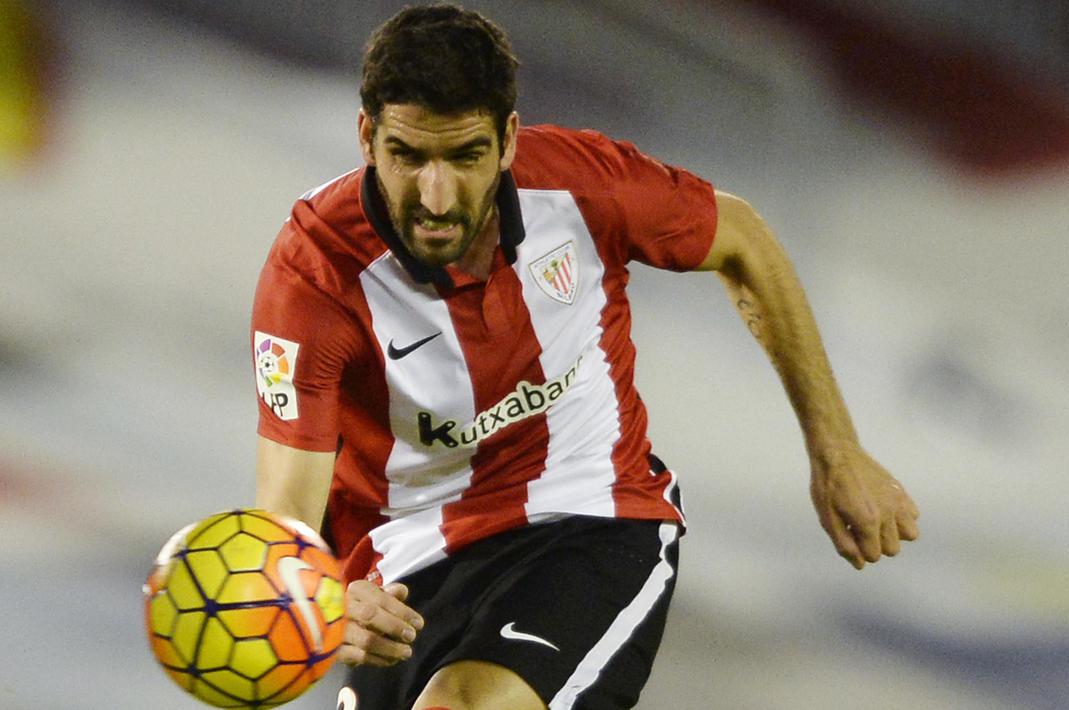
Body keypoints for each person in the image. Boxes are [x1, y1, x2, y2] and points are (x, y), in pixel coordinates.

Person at [251, 4, 919, 709]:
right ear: (366, 137)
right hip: (404, 565)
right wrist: (326, 602)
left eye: (465, 156)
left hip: (590, 515)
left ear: (508, 139)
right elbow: (286, 517)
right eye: (408, 156)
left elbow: (741, 239)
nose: (436, 197)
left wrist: (835, 450)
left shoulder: (583, 186)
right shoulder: (312, 278)